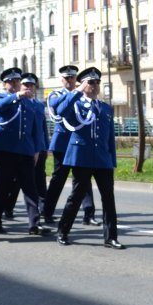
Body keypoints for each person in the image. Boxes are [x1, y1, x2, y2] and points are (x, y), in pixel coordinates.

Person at [54, 67, 122, 248]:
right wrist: (76, 91)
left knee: (108, 198)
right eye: (91, 82)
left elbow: (109, 138)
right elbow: (59, 110)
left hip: (102, 159)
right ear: (83, 84)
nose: (95, 85)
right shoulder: (75, 104)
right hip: (81, 157)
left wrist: (112, 160)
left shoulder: (106, 108)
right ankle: (63, 231)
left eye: (97, 82)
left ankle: (111, 237)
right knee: (76, 197)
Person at [0, 68, 47, 235]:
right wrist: (17, 96)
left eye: (16, 81)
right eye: (11, 82)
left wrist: (36, 150)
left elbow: (36, 129)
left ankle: (34, 224)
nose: (15, 84)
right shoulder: (1, 97)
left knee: (30, 188)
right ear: (5, 84)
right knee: (1, 187)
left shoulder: (30, 103)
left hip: (25, 151)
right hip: (5, 150)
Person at [42, 65, 97, 226]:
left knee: (84, 179)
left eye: (73, 78)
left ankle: (89, 213)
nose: (70, 81)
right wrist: (75, 93)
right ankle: (47, 212)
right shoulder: (56, 94)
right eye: (67, 78)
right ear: (61, 79)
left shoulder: (82, 95)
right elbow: (57, 111)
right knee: (58, 179)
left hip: (79, 142)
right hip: (63, 143)